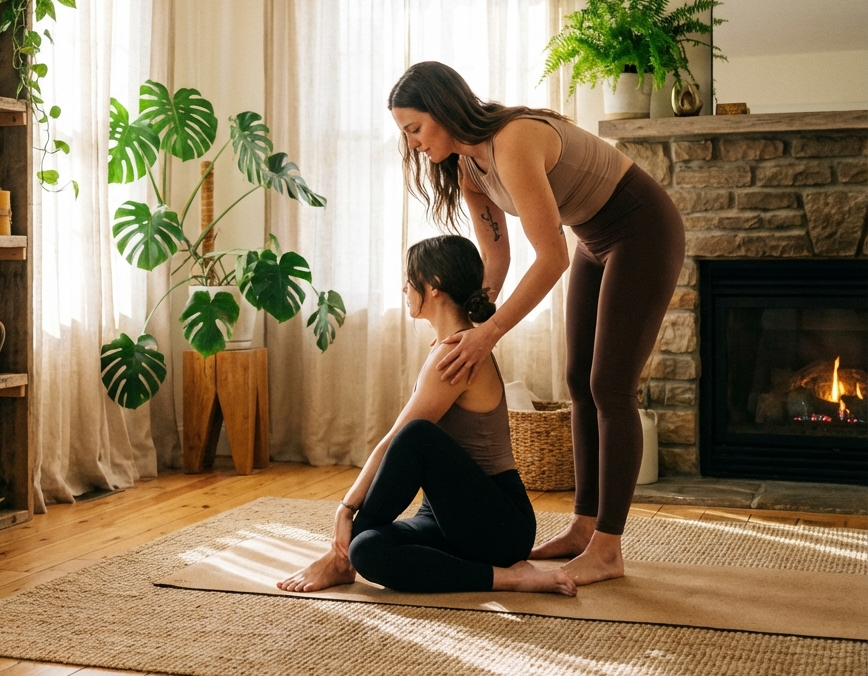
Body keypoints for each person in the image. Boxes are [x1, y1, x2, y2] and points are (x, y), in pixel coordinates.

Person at [386, 61, 685, 586]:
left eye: (414, 128)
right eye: (404, 134)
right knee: (578, 382)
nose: (411, 143)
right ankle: (583, 526)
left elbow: (551, 259)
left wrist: (490, 333)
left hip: (642, 228)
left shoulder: (513, 140)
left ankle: (608, 549)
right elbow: (494, 260)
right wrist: (473, 315)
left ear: (444, 108)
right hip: (595, 238)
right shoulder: (468, 169)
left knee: (610, 387)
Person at [277, 234, 576, 597]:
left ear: (433, 287)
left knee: (415, 436)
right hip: (447, 518)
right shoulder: (453, 347)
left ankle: (340, 562)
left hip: (499, 523)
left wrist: (346, 508)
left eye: (410, 278)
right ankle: (352, 559)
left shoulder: (456, 354)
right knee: (367, 549)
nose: (405, 287)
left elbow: (398, 440)